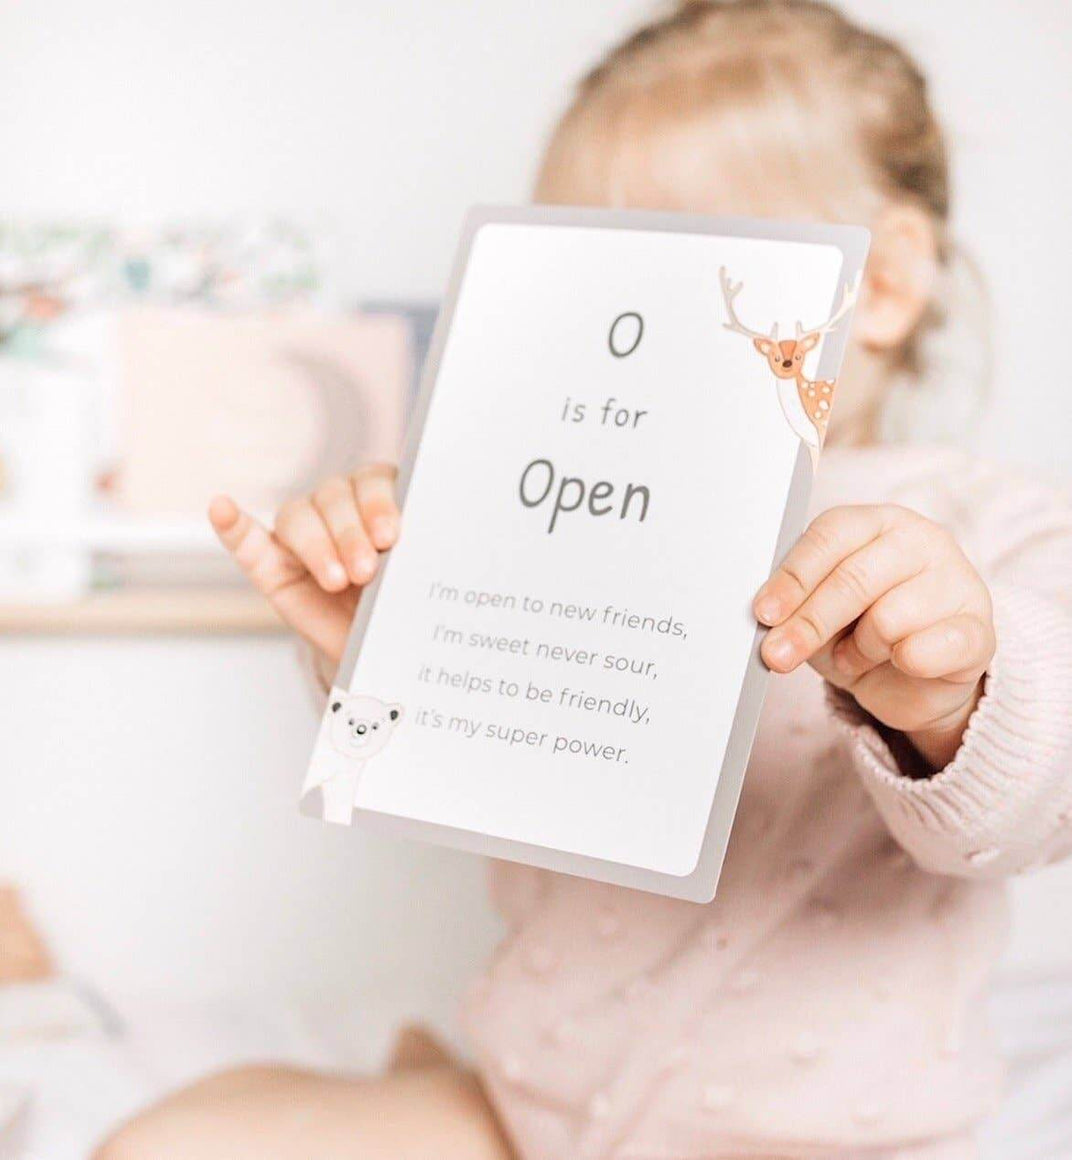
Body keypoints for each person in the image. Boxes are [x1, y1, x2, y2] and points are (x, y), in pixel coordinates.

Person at [96, 3, 1072, 1157]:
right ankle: (424, 1068)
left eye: (680, 272)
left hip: (825, 1142)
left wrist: (954, 693)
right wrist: (371, 641)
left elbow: (1038, 800)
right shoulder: (552, 494)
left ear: (890, 278)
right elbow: (443, 760)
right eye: (591, 278)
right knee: (162, 1142)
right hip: (530, 1108)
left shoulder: (984, 527)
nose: (624, 331)